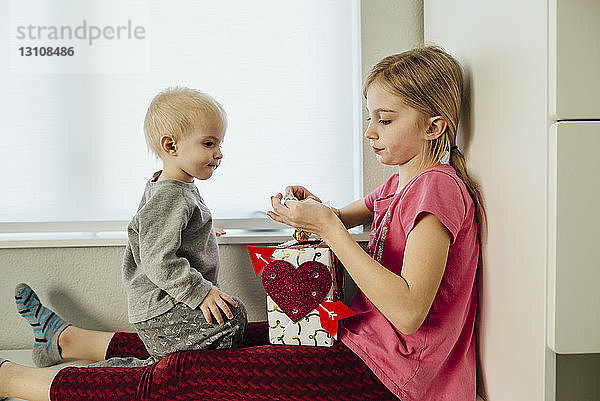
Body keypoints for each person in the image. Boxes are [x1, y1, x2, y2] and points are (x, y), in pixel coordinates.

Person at [0, 46, 483, 401]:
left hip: (393, 375)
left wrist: (328, 230)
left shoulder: (436, 188)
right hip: (365, 341)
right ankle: (69, 341)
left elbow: (408, 311)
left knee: (183, 376)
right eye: (369, 117)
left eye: (385, 119)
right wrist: (312, 209)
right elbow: (343, 214)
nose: (369, 131)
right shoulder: (403, 182)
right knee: (229, 331)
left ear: (434, 125)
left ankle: (14, 380)